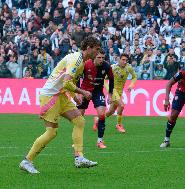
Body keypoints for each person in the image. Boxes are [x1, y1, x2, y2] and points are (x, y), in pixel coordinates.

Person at [19, 36, 100, 174]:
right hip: (50, 96)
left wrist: (75, 96)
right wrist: (83, 92)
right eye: (96, 50)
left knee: (79, 121)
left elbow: (67, 82)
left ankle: (79, 157)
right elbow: (66, 83)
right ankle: (27, 161)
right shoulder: (77, 60)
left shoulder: (81, 61)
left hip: (61, 95)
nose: (98, 53)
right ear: (89, 48)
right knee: (51, 132)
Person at [76, 49, 114, 149]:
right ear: (94, 58)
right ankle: (77, 142)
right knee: (79, 118)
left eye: (103, 58)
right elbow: (77, 78)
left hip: (98, 92)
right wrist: (79, 93)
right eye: (99, 58)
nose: (101, 60)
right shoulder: (86, 64)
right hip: (85, 91)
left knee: (102, 115)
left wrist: (110, 94)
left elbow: (111, 79)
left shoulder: (106, 66)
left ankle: (100, 141)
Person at [99, 53, 137, 134]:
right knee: (122, 105)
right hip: (113, 90)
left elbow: (134, 77)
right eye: (123, 60)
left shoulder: (129, 67)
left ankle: (98, 120)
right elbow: (105, 79)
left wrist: (131, 85)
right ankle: (119, 125)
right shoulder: (113, 68)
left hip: (119, 92)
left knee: (110, 112)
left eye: (126, 60)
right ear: (119, 59)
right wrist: (109, 90)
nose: (125, 62)